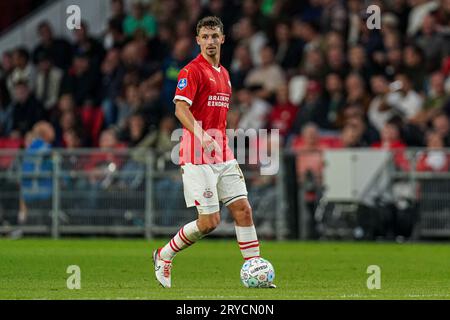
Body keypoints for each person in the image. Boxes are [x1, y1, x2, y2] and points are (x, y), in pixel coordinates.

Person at [152, 16, 276, 289]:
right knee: (209, 222)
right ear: (198, 41)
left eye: (214, 36)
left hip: (223, 154)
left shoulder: (225, 74)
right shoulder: (191, 72)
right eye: (205, 37)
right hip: (197, 156)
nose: (210, 41)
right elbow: (180, 109)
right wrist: (202, 135)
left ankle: (255, 271)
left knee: (243, 209)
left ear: (222, 39)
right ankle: (164, 254)